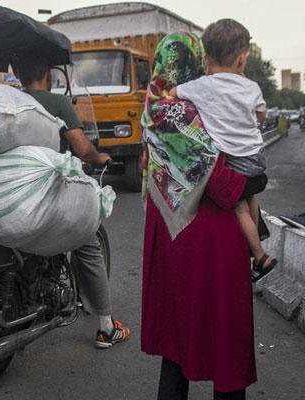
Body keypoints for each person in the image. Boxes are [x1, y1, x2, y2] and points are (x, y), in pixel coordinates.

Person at [141, 32, 256, 399]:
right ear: (193, 62)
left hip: (170, 233)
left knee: (176, 344)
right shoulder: (194, 109)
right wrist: (250, 184)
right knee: (225, 340)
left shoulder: (153, 110)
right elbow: (220, 179)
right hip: (210, 232)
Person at [14, 56, 130, 348]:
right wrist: (98, 156)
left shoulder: (10, 101)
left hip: (12, 193)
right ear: (46, 73)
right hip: (49, 195)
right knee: (88, 243)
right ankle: (106, 328)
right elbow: (80, 147)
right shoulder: (57, 103)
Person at [169, 19, 276, 281]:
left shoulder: (201, 86)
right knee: (250, 195)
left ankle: (260, 256)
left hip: (233, 162)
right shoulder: (251, 86)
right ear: (242, 59)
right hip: (256, 158)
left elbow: (172, 93)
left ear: (206, 59)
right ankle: (258, 239)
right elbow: (261, 116)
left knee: (239, 208)